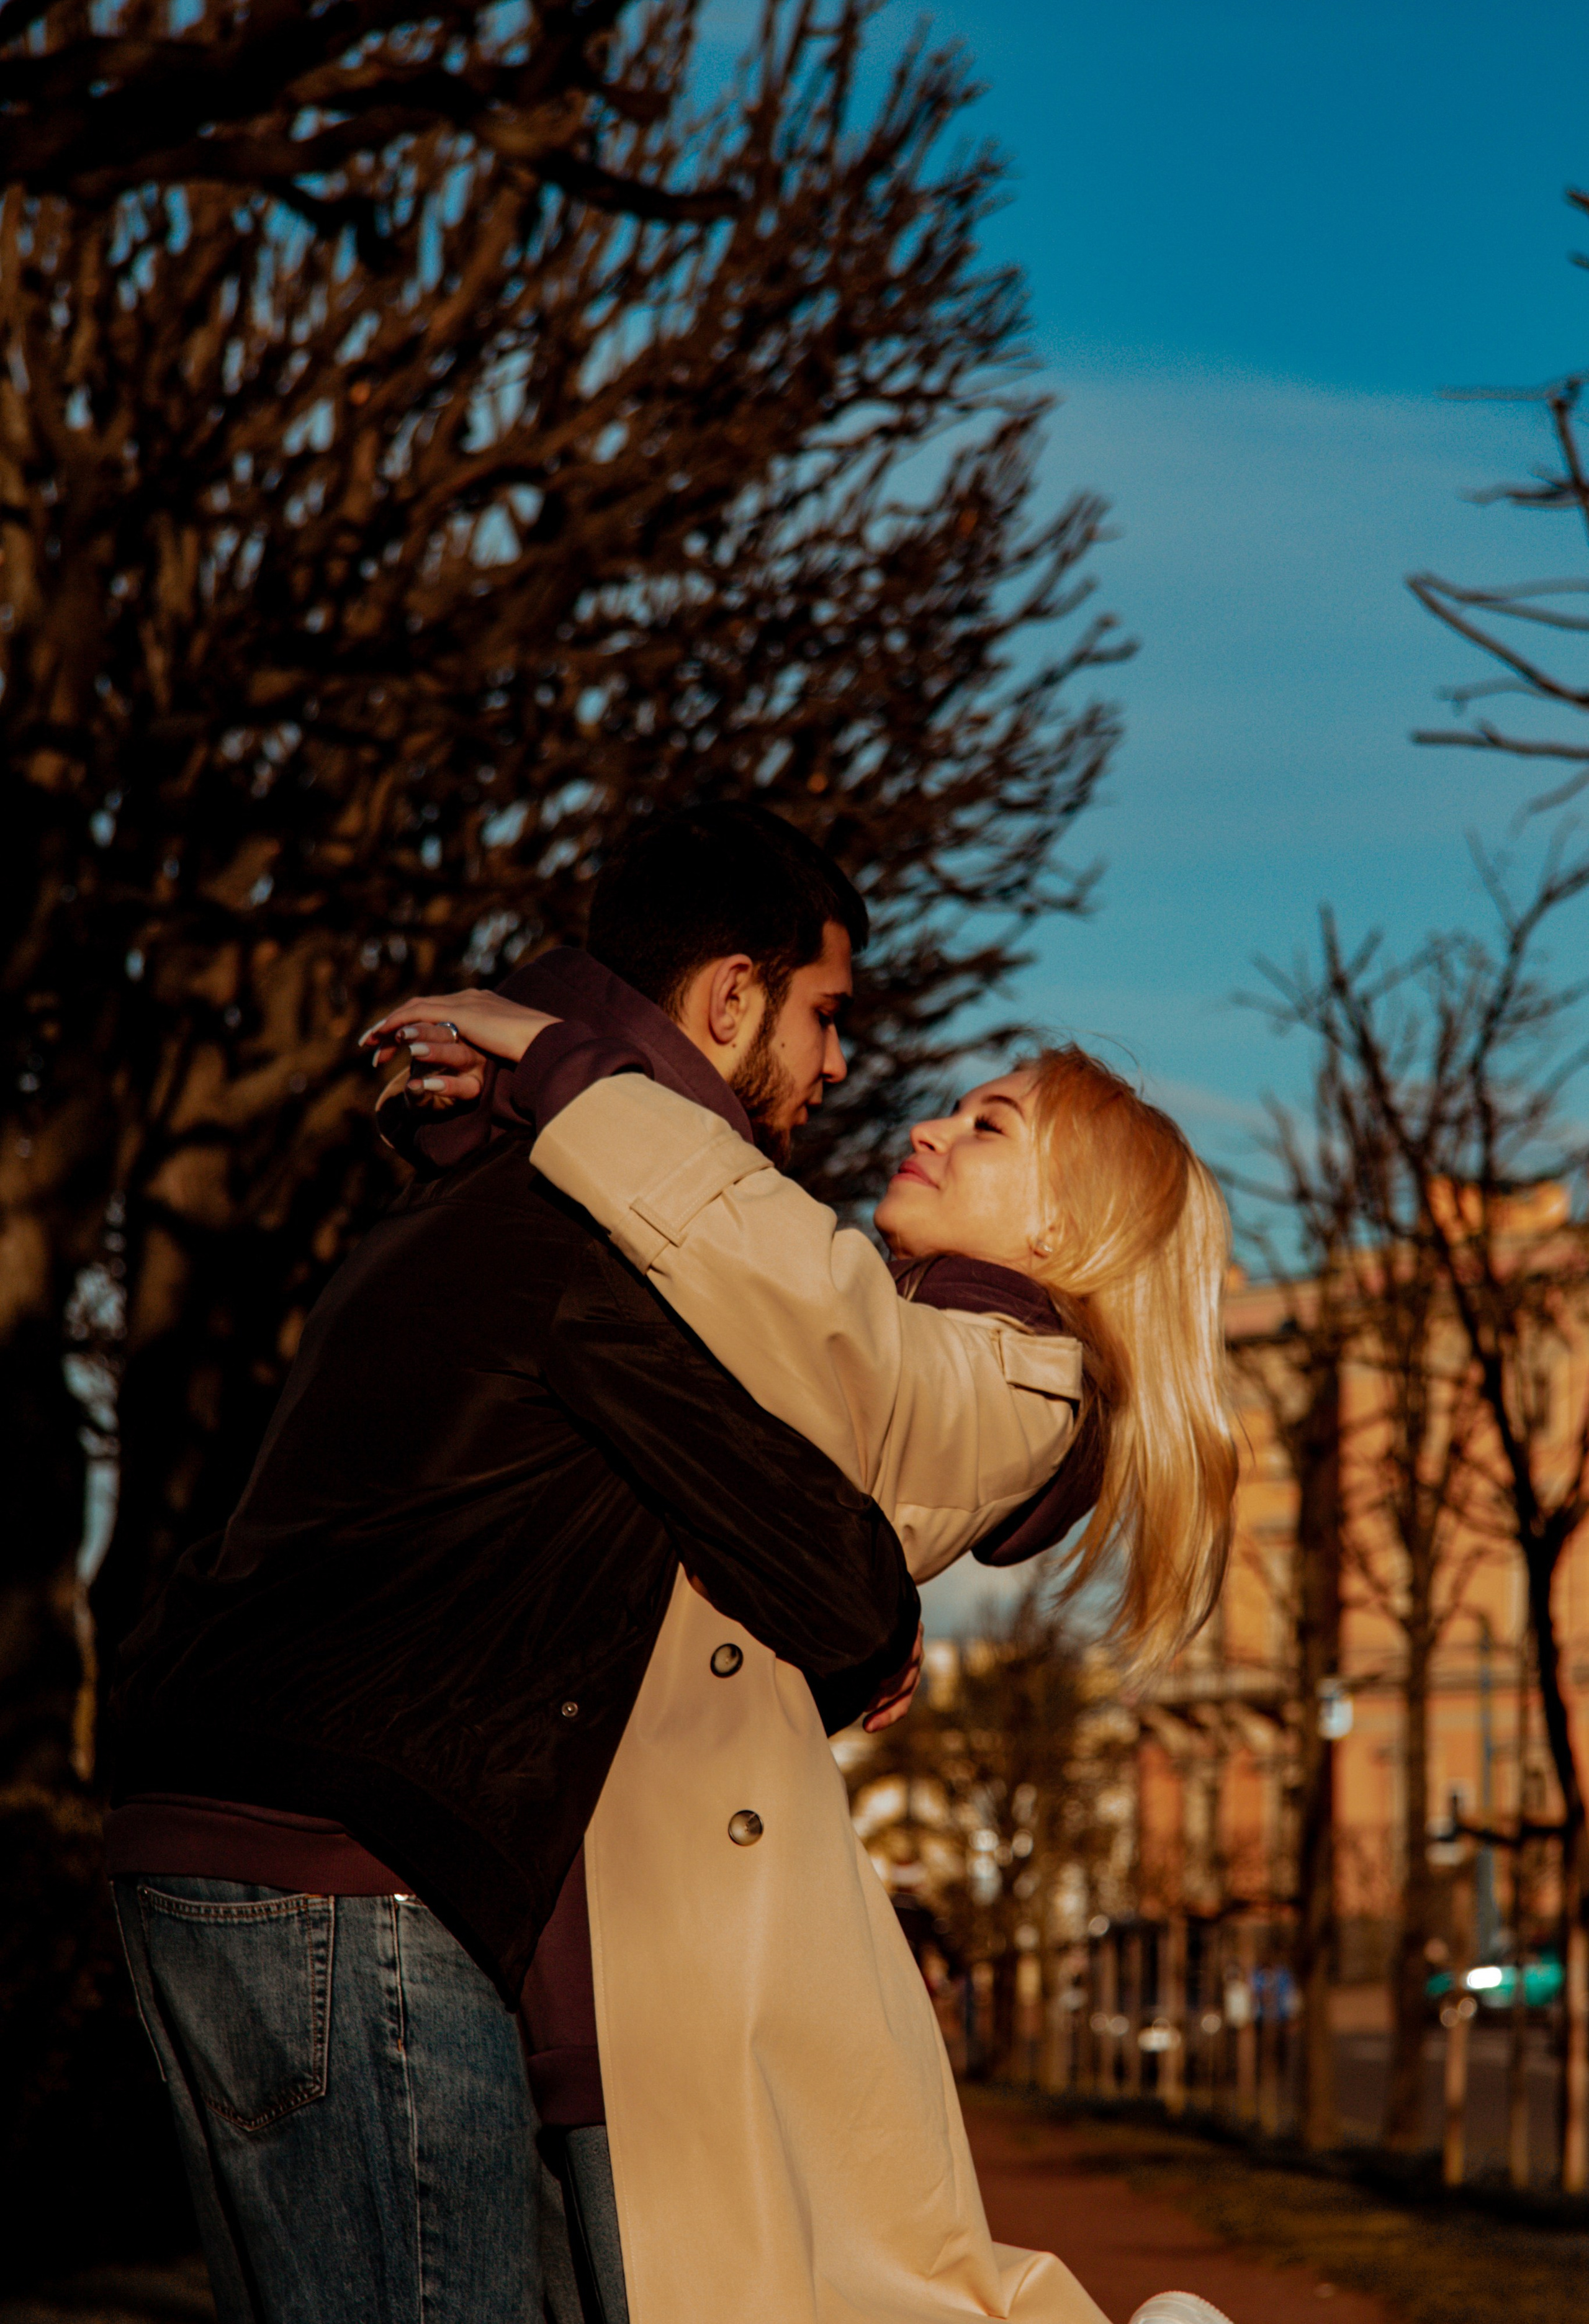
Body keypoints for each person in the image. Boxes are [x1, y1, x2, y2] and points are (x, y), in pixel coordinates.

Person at [105, 806, 1086, 2324]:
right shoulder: (602, 1221)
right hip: (353, 1871)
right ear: (730, 997)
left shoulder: (485, 1172)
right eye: (825, 1016)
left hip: (240, 1837)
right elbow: (819, 1544)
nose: (841, 1073)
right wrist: (875, 1622)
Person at [363, 937, 1238, 2324]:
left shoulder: (1020, 1378)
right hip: (599, 1931)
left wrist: (555, 1060)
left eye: (987, 1123)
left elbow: (764, 1267)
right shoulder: (913, 1348)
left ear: (1063, 1236)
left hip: (663, 1965)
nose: (924, 1124)